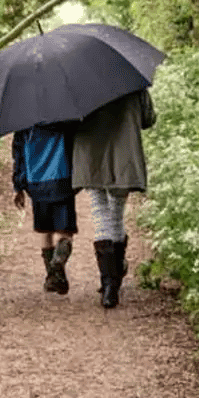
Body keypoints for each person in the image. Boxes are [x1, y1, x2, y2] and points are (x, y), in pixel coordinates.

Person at [72, 88, 156, 309]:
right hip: (124, 154)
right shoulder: (134, 84)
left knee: (100, 211)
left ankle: (110, 283)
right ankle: (113, 277)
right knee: (116, 214)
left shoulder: (79, 83)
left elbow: (68, 120)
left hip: (90, 154)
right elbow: (148, 119)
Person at [12, 122, 78, 294]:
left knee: (45, 230)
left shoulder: (24, 123)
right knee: (65, 231)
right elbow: (76, 146)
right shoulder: (64, 119)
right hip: (62, 180)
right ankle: (58, 262)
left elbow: (18, 156)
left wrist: (19, 187)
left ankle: (52, 276)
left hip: (36, 184)